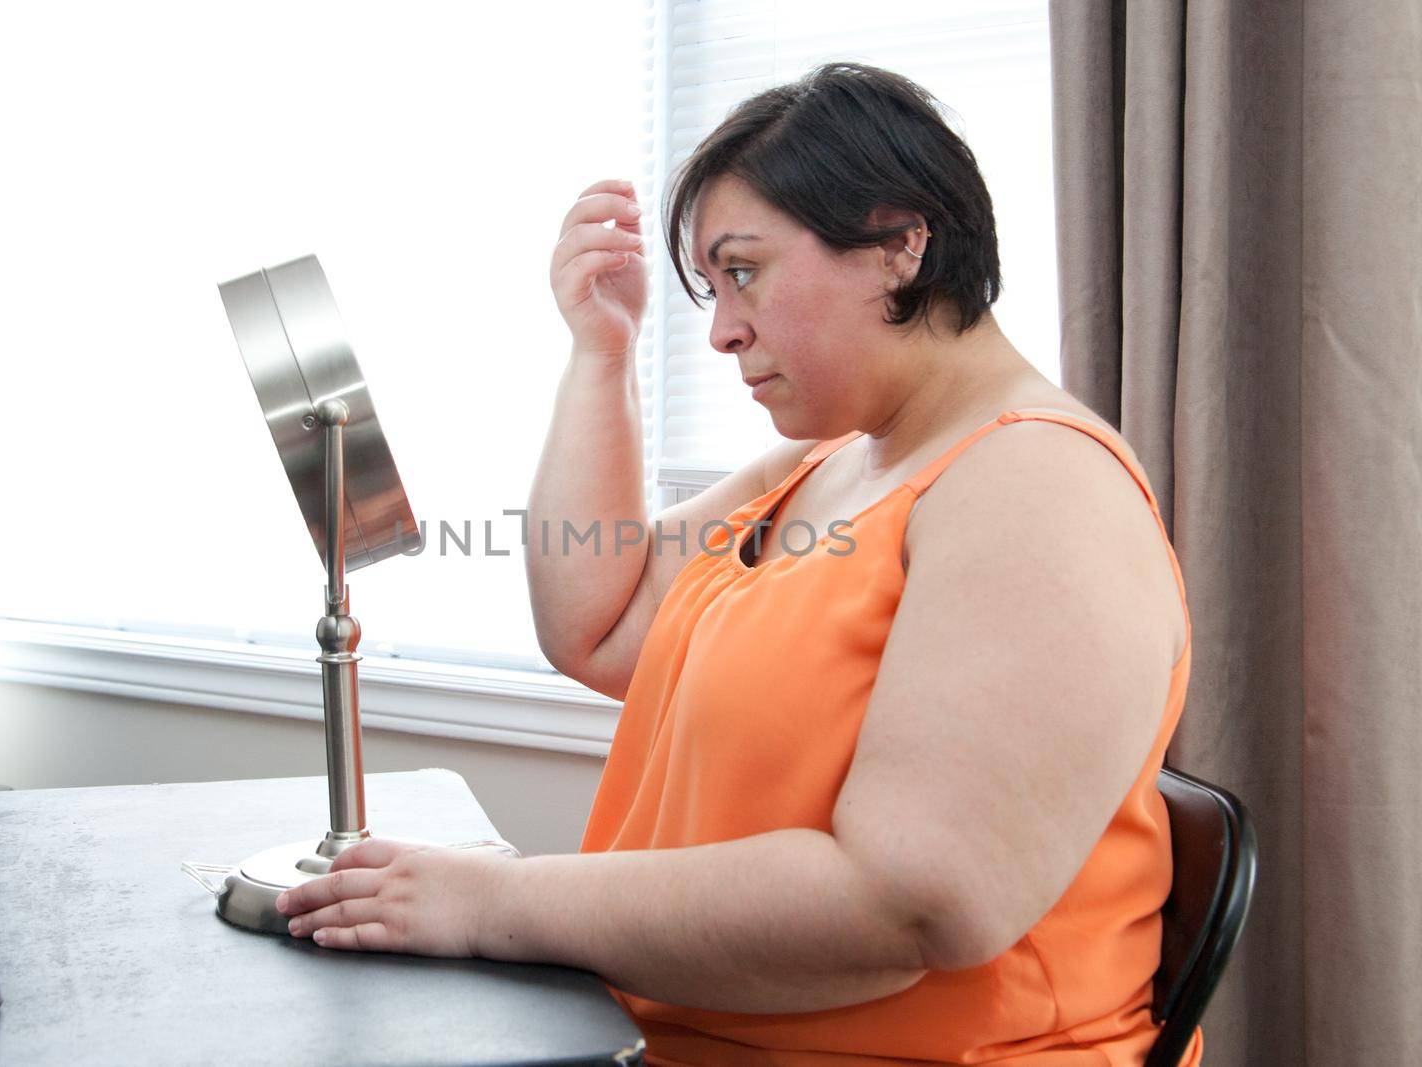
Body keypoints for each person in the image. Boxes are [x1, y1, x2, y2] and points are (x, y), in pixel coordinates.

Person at [276, 62, 1197, 1066]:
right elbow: (591, 624)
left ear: (899, 243)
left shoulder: (1036, 484)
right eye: (710, 291)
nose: (720, 331)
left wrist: (494, 900)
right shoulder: (827, 464)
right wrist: (601, 347)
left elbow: (908, 906)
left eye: (744, 271)